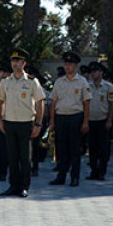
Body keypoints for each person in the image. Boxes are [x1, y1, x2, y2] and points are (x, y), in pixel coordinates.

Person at [0, 49, 46, 198]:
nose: (15, 63)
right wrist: (0, 120)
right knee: (12, 156)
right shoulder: (5, 82)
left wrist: (38, 123)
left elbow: (40, 102)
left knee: (25, 157)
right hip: (10, 123)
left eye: (18, 61)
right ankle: (13, 185)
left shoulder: (32, 81)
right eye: (13, 60)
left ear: (24, 63)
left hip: (26, 123)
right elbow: (0, 101)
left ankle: (24, 186)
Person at [47, 52, 90, 187]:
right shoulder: (59, 82)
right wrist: (52, 121)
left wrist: (85, 122)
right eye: (66, 64)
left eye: (70, 64)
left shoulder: (82, 82)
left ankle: (74, 177)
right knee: (61, 149)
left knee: (74, 149)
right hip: (61, 117)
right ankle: (61, 176)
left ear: (76, 66)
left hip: (75, 117)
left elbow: (86, 102)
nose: (67, 67)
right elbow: (53, 102)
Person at [85, 62, 113, 181]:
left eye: (96, 71)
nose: (94, 73)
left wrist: (110, 120)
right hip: (91, 120)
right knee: (92, 148)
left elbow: (112, 105)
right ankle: (94, 171)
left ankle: (102, 171)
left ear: (101, 72)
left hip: (103, 121)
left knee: (104, 148)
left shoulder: (109, 87)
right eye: (92, 71)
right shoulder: (87, 86)